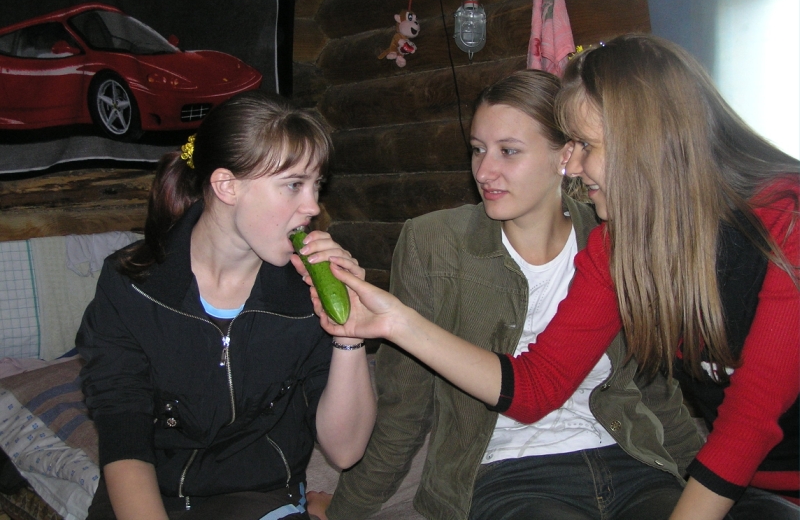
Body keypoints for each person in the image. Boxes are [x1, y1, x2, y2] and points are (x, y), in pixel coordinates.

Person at [305, 35, 800, 520]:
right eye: (477, 149)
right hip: (541, 480)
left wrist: (689, 480)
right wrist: (397, 322)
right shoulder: (616, 244)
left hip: (720, 475)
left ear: (642, 143)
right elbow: (535, 385)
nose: (575, 164)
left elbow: (738, 414)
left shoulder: (782, 219)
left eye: (585, 145)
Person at [76, 91, 376, 520]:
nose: (313, 206)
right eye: (294, 185)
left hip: (259, 495)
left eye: (316, 185)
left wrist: (349, 335)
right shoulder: (132, 286)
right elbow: (123, 434)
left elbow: (345, 451)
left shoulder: (303, 294)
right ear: (226, 186)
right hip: (150, 490)